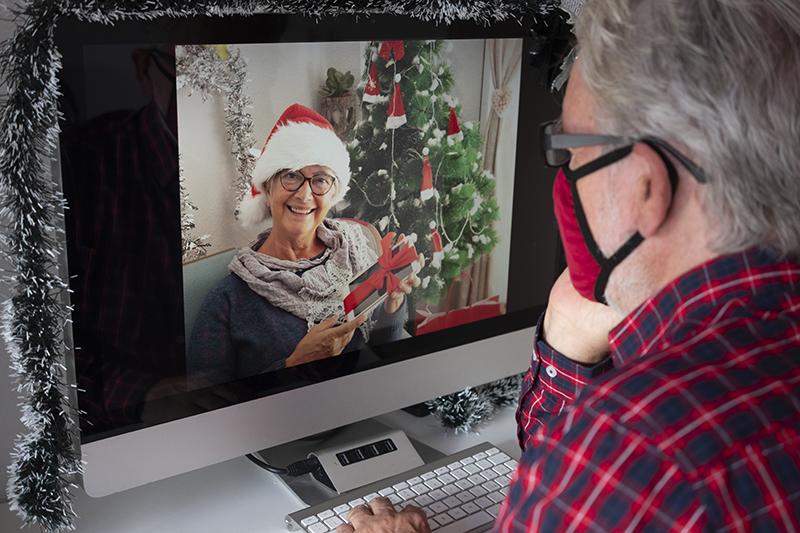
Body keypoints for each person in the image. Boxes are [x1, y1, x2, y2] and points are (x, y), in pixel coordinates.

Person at [336, 0, 800, 531]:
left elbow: (589, 480)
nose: (565, 176)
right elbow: (568, 476)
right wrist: (567, 336)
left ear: (644, 186)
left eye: (569, 150)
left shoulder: (641, 461)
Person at [188, 104, 419, 384]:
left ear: (333, 192)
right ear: (268, 187)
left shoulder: (358, 255)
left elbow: (387, 357)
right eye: (291, 176)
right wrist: (295, 364)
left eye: (320, 179)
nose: (305, 194)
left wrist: (393, 305)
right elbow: (206, 407)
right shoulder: (228, 300)